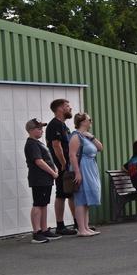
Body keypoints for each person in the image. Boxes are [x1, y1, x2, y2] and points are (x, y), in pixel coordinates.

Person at [24, 118, 62, 244]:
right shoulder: (31, 144)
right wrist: (52, 173)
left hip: (46, 179)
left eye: (41, 129)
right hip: (39, 179)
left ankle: (44, 229)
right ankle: (36, 232)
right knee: (38, 204)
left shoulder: (39, 143)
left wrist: (55, 167)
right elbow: (39, 161)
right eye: (39, 129)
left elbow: (48, 159)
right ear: (31, 130)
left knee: (44, 204)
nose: (41, 131)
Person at [46, 98, 78, 236]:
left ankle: (79, 222)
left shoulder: (64, 125)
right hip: (61, 166)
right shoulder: (54, 125)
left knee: (71, 192)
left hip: (68, 165)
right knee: (61, 194)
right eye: (67, 106)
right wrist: (63, 163)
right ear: (60, 109)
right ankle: (60, 225)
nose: (70, 108)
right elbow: (56, 145)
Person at [68, 113, 103, 237]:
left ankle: (86, 226)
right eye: (89, 120)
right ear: (82, 122)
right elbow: (72, 155)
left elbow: (100, 148)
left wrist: (91, 136)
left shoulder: (86, 137)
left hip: (90, 167)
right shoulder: (76, 137)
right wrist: (77, 173)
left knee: (87, 197)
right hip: (82, 167)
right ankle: (81, 229)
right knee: (81, 197)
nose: (91, 122)